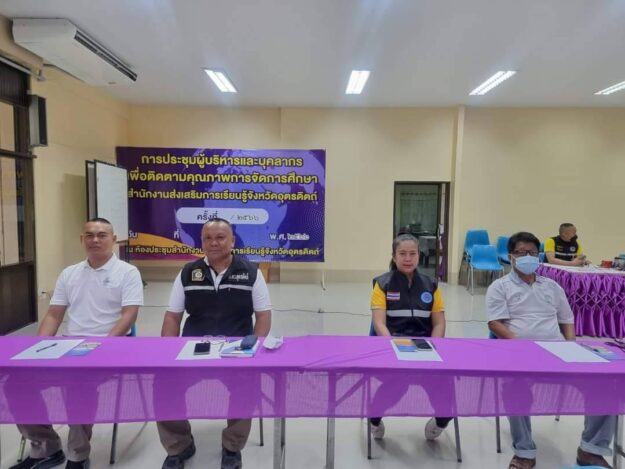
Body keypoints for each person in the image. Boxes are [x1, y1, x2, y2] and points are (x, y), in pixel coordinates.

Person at [10, 218, 144, 469]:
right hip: (70, 346)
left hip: (111, 347)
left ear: (114, 240)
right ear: (82, 240)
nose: (95, 240)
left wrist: (104, 347)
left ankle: (77, 455)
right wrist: (37, 350)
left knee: (78, 384)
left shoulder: (128, 273)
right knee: (17, 383)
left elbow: (129, 316)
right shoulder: (69, 273)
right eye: (89, 235)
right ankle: (47, 448)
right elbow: (54, 315)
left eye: (102, 235)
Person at [487, 231, 614, 469]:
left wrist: (572, 348)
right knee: (513, 387)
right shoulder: (499, 287)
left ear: (539, 255)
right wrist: (522, 348)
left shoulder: (552, 286)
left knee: (606, 384)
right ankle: (524, 452)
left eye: (532, 253)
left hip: (557, 352)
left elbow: (567, 319)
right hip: (521, 353)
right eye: (521, 253)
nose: (527, 257)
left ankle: (591, 450)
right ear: (511, 257)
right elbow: (495, 323)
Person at [156, 218, 272, 469]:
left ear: (232, 241)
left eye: (220, 237)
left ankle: (232, 446)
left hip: (236, 350)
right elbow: (172, 316)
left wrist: (255, 349)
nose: (214, 243)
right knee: (164, 383)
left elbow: (263, 316)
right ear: (201, 242)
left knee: (246, 385)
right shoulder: (188, 272)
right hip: (194, 348)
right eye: (207, 238)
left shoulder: (251, 272)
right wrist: (167, 352)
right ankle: (179, 445)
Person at [368, 233, 453, 441]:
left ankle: (440, 423)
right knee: (398, 383)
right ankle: (374, 420)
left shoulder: (431, 284)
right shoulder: (382, 284)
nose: (408, 258)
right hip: (393, 346)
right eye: (402, 253)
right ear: (394, 256)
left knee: (446, 390)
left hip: (425, 347)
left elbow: (439, 323)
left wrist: (433, 349)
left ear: (418, 255)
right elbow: (379, 323)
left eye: (412, 253)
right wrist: (395, 349)